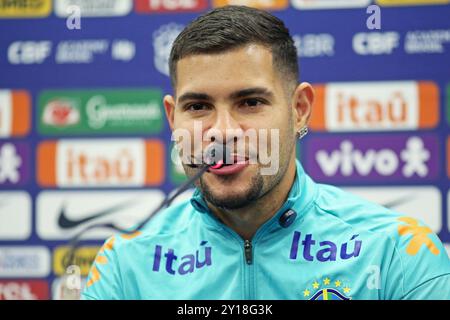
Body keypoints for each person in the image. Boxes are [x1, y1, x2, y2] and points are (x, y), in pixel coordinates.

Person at [82, 5, 450, 300]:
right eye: (197, 107)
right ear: (172, 117)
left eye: (250, 102)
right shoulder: (125, 264)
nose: (222, 133)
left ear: (299, 109)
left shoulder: (398, 253)